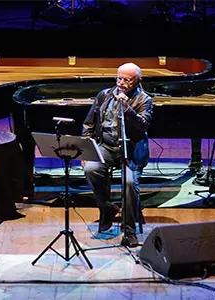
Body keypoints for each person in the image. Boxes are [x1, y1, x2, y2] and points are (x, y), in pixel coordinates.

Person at [82, 63, 153, 247]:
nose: (121, 83)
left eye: (127, 80)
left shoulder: (144, 100)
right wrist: (86, 150)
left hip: (131, 151)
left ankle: (129, 232)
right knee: (91, 169)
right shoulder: (104, 95)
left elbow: (143, 125)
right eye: (119, 78)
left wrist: (127, 108)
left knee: (129, 183)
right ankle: (107, 209)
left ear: (137, 81)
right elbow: (89, 123)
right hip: (106, 147)